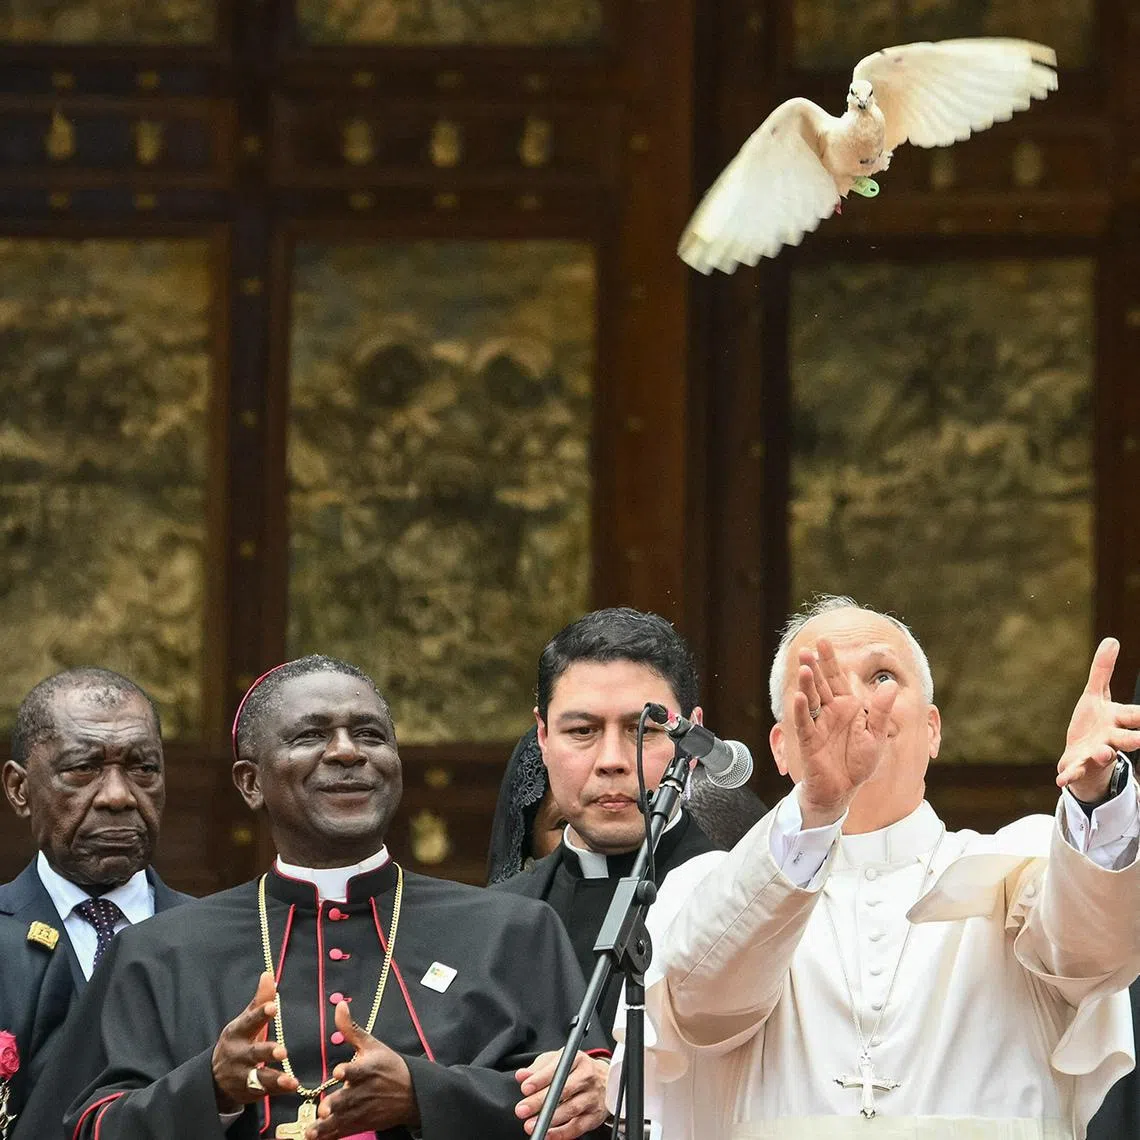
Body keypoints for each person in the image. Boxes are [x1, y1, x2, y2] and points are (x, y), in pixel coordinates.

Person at [609, 594, 1140, 1140]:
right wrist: (817, 806)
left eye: (881, 676)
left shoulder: (1020, 866)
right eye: (822, 686)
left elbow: (1094, 950)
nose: (853, 704)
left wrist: (1098, 797)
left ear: (932, 729)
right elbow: (703, 1011)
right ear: (780, 748)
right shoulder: (710, 885)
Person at [19, 655, 607, 1140]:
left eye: (370, 735)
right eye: (311, 736)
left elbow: (585, 1111)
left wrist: (422, 1095)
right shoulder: (157, 952)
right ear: (251, 782)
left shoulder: (516, 930)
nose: (348, 752)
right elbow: (83, 1127)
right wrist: (212, 1087)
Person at [490, 608, 722, 1050]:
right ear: (542, 736)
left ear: (693, 739)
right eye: (582, 730)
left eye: (643, 730)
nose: (612, 759)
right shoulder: (497, 918)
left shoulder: (738, 900)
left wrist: (620, 1087)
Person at [0, 668, 189, 1117]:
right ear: (19, 789)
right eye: (84, 768)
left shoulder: (218, 940)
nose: (119, 797)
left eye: (143, 768)